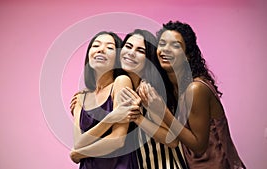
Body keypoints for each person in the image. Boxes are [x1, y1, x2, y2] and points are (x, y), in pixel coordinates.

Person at [122, 21, 246, 169]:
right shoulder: (173, 88)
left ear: (187, 55)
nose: (166, 50)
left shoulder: (196, 88)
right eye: (162, 43)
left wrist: (162, 111)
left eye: (176, 45)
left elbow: (198, 146)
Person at [117, 29, 188, 169]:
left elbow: (172, 140)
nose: (131, 53)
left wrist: (138, 118)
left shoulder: (148, 91)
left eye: (140, 51)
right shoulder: (125, 86)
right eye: (128, 46)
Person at [69, 31, 139, 169]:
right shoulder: (80, 98)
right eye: (96, 45)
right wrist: (112, 118)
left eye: (110, 47)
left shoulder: (121, 82)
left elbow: (117, 140)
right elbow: (78, 143)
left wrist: (78, 154)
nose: (101, 49)